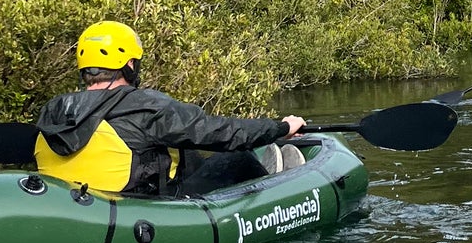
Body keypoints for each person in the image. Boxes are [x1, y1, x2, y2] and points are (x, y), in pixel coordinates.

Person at [33, 21, 307, 199]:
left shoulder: (56, 111)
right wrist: (279, 128)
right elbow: (220, 132)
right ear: (129, 65)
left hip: (87, 207)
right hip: (143, 208)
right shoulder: (143, 107)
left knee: (181, 149)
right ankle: (280, 196)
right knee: (241, 158)